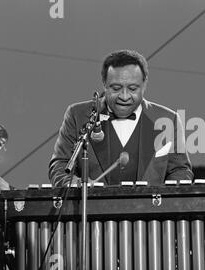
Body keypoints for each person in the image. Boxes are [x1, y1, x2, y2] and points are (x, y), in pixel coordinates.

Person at [49, 49, 193, 187]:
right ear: (104, 84)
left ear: (144, 84)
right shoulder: (77, 115)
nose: (124, 96)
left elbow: (180, 171)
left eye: (132, 89)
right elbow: (60, 165)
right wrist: (77, 185)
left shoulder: (169, 119)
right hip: (91, 211)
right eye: (116, 88)